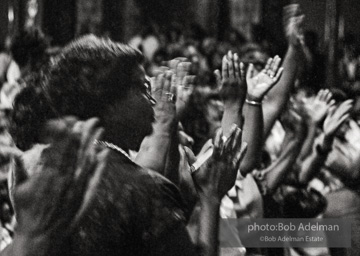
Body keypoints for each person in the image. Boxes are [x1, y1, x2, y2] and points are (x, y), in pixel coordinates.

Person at [4, 35, 246, 256]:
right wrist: (211, 198)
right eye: (141, 88)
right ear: (108, 104)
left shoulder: (50, 175)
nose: (151, 99)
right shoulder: (141, 187)